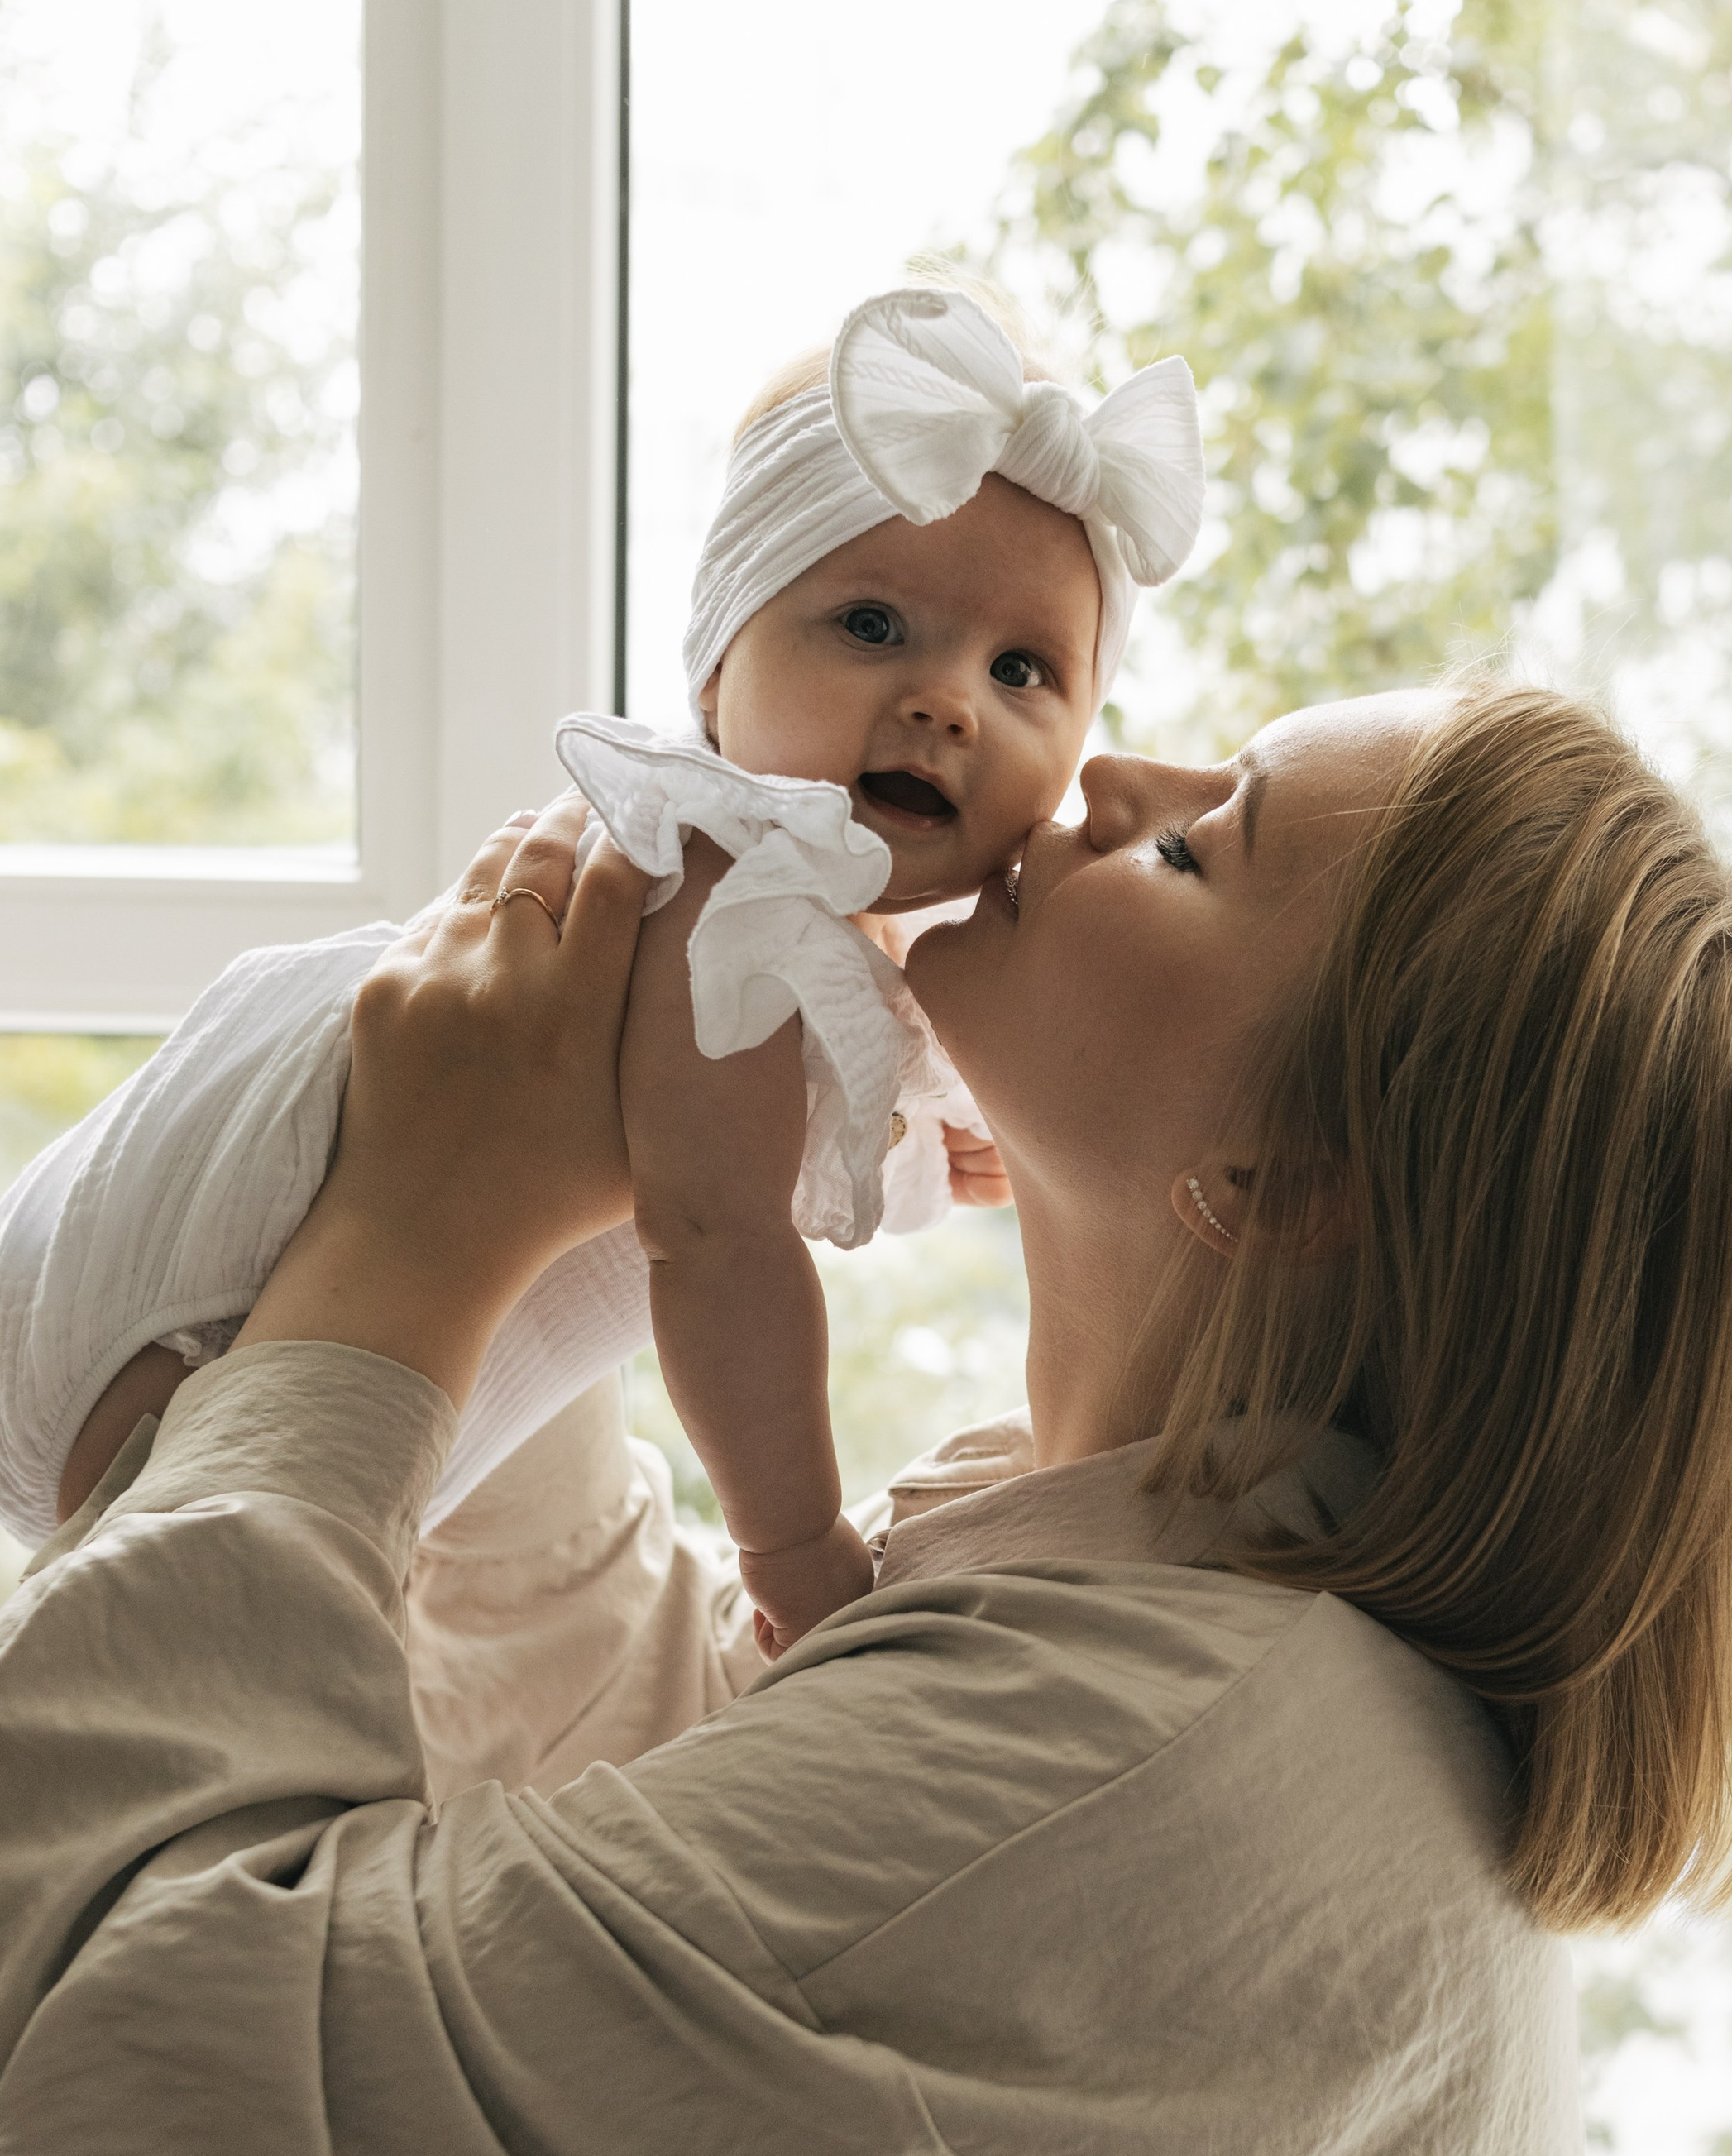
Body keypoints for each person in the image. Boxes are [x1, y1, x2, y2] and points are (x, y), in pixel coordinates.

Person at [0, 679, 1732, 2156]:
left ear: (1277, 1181)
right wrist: (572, 1192)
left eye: (1197, 845)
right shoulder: (1235, 1641)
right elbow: (678, 1860)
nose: (1100, 776)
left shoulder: (1125, 1793)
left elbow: (101, 1970)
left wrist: (407, 1246)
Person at [0, 282, 1204, 1655]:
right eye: (872, 625)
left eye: (1023, 669)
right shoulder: (721, 890)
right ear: (716, 672)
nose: (948, 701)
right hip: (180, 1351)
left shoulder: (834, 932)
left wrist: (934, 1143)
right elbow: (718, 1241)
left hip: (244, 1363)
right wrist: (794, 1543)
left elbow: (773, 1137)